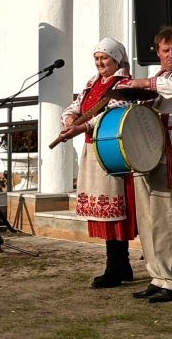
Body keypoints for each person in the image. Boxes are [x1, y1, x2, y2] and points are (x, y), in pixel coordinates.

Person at [122, 26, 172, 303]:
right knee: (147, 215)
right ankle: (157, 275)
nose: (171, 54)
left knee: (164, 214)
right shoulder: (159, 76)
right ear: (157, 52)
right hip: (146, 147)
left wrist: (144, 84)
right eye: (166, 50)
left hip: (170, 146)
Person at [60, 38, 134, 289]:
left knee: (112, 210)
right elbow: (77, 105)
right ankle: (120, 266)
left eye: (105, 58)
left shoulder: (123, 84)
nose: (100, 62)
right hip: (92, 151)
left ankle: (116, 265)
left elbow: (108, 113)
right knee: (102, 212)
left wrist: (81, 126)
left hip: (111, 151)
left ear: (116, 59)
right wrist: (70, 117)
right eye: (97, 58)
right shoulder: (93, 83)